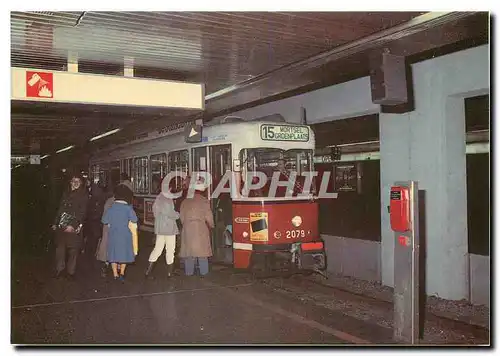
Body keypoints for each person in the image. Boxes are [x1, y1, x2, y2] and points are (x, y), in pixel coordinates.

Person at [51, 173, 89, 279]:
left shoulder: (83, 195)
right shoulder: (65, 193)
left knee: (73, 250)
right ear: (70, 182)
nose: (75, 183)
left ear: (81, 183)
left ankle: (70, 272)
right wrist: (55, 222)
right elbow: (60, 209)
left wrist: (73, 225)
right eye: (73, 181)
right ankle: (59, 270)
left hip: (74, 225)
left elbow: (82, 212)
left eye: (78, 181)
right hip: (62, 225)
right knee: (60, 248)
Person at [101, 184, 138, 282]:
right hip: (125, 235)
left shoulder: (111, 208)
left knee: (113, 255)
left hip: (113, 234)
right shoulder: (128, 208)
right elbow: (134, 219)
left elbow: (104, 220)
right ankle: (121, 273)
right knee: (123, 255)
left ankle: (115, 274)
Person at [145, 178, 180, 279]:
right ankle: (170, 273)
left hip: (160, 228)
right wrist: (178, 215)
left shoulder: (158, 197)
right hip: (169, 228)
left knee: (158, 249)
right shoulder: (167, 198)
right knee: (170, 249)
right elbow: (170, 213)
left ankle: (148, 271)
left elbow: (156, 213)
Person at [179, 180, 215, 277]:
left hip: (187, 229)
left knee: (189, 253)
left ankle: (189, 273)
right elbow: (209, 217)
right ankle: (204, 273)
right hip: (200, 228)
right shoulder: (204, 201)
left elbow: (181, 217)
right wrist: (212, 225)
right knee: (202, 254)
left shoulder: (185, 201)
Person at [95, 187, 116, 277]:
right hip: (109, 227)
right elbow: (105, 216)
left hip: (111, 227)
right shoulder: (111, 202)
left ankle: (109, 266)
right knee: (108, 247)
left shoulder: (112, 201)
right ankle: (106, 266)